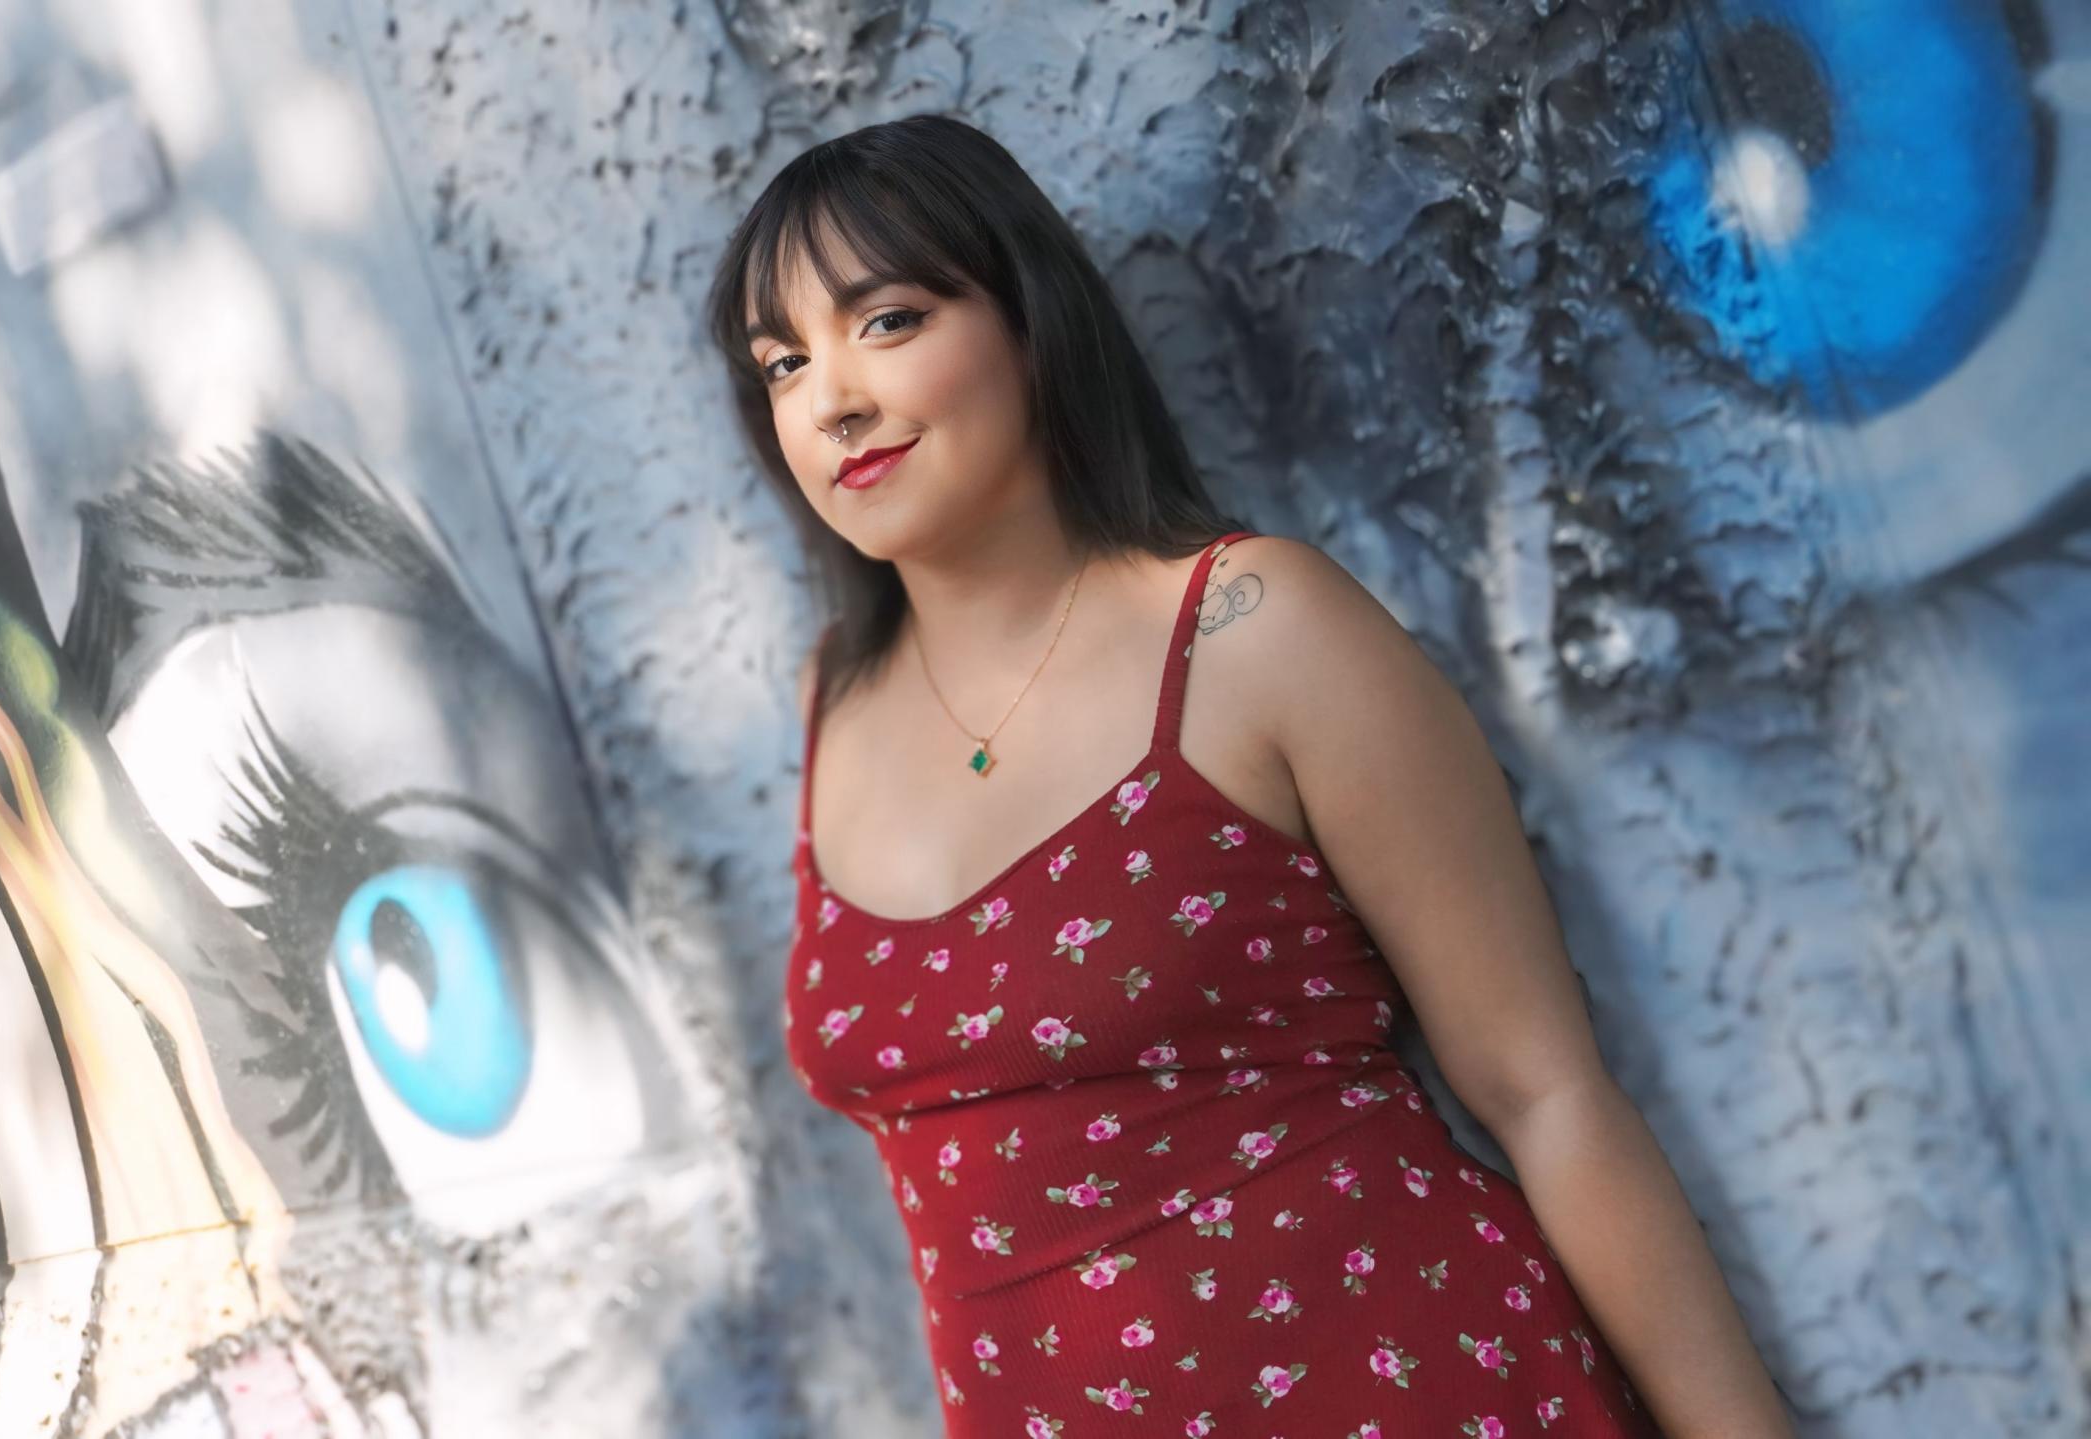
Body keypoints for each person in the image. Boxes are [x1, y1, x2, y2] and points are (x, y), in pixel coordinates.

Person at [707, 114, 1792, 1436]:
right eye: (782, 362)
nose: (831, 400)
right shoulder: (834, 698)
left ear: (1032, 323)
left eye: (888, 322)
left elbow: (1545, 1093)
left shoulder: (1252, 628)